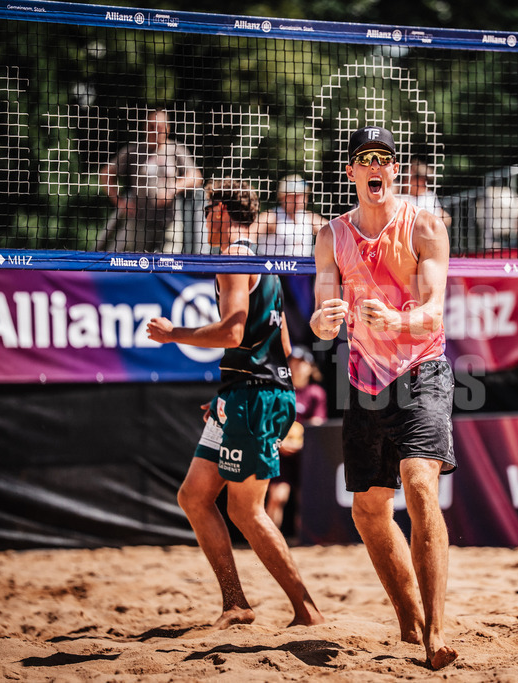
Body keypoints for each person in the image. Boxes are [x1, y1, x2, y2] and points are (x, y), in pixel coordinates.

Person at [310, 126, 458, 671]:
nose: (377, 167)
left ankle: (437, 632)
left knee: (420, 485)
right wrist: (324, 321)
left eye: (385, 159)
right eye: (365, 159)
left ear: (395, 169)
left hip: (422, 368)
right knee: (370, 509)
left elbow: (434, 311)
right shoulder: (331, 236)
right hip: (365, 379)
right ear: (351, 172)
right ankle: (410, 619)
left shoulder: (423, 224)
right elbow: (323, 312)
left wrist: (397, 319)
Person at [146, 179, 324, 630]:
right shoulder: (264, 262)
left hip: (254, 397)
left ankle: (307, 611)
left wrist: (175, 334)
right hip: (249, 393)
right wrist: (232, 391)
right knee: (193, 496)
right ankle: (235, 603)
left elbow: (232, 333)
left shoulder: (233, 259)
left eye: (207, 212)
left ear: (221, 212)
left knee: (246, 510)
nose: (204, 221)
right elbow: (279, 338)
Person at [97, 108, 203, 252]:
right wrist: (119, 202)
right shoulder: (134, 151)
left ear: (167, 128)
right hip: (140, 222)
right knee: (138, 266)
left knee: (169, 263)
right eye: (151, 126)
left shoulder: (177, 150)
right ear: (145, 128)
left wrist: (172, 190)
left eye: (159, 127)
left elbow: (196, 176)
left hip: (169, 222)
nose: (155, 131)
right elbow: (106, 173)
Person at [265, 345, 327, 534]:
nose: (298, 367)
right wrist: (280, 442)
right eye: (294, 363)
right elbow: (269, 423)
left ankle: (306, 541)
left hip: (305, 456)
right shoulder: (280, 391)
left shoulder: (316, 393)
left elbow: (316, 426)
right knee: (277, 496)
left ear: (310, 368)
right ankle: (267, 539)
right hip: (281, 453)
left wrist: (298, 443)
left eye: (302, 364)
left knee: (306, 499)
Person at [252, 174, 326, 257]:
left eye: (301, 196)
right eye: (294, 196)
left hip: (303, 268)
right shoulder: (272, 216)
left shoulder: (310, 218)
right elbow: (249, 234)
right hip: (273, 268)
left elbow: (335, 233)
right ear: (282, 197)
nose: (298, 200)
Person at [402, 159, 452, 228]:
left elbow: (447, 219)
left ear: (420, 181)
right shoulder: (405, 197)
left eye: (407, 178)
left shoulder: (428, 199)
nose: (404, 182)